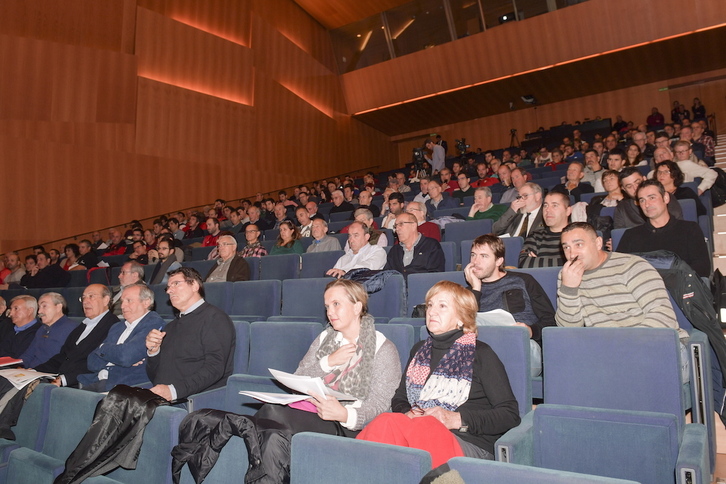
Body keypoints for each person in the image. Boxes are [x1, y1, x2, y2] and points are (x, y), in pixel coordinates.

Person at [244, 279, 401, 483]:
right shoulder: (325, 339)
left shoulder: (383, 348)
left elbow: (381, 404)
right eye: (327, 306)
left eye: (337, 304)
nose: (330, 312)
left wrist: (344, 413)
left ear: (357, 307)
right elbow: (298, 378)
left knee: (270, 418)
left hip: (350, 425)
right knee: (272, 427)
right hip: (315, 412)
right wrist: (328, 362)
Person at [357, 281, 520, 467]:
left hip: (469, 442)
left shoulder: (481, 354)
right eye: (430, 305)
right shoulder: (419, 352)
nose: (432, 312)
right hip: (416, 433)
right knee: (385, 421)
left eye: (442, 306)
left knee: (425, 427)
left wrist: (457, 419)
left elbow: (510, 415)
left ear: (462, 317)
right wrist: (409, 413)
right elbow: (400, 398)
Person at [556, 222, 686, 339]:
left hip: (653, 341)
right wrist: (569, 289)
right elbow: (567, 330)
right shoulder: (567, 276)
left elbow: (663, 316)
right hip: (607, 350)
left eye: (579, 244)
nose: (572, 254)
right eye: (566, 247)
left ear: (598, 243)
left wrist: (625, 343)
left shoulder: (632, 266)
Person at [464, 235, 555, 377]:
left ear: (499, 261)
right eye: (473, 255)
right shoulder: (469, 293)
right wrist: (476, 289)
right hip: (485, 351)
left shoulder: (523, 281)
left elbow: (550, 321)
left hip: (523, 346)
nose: (476, 262)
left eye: (484, 256)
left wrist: (531, 331)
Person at [145, 267, 235, 401]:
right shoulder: (169, 327)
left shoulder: (215, 318)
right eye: (168, 287)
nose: (169, 290)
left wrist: (174, 391)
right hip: (161, 399)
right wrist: (153, 352)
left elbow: (215, 368)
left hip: (193, 400)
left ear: (194, 285)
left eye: (176, 283)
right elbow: (155, 376)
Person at [77, 284, 166, 392]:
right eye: (122, 301)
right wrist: (115, 356)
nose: (123, 306)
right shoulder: (117, 327)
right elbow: (91, 362)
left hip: (125, 386)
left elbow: (126, 356)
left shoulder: (153, 323)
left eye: (129, 301)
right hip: (99, 381)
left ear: (146, 302)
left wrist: (102, 348)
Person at [617, 180, 710, 278]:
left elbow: (702, 268)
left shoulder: (689, 229)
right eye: (642, 200)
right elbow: (620, 270)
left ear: (665, 198)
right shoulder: (631, 235)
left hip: (681, 288)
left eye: (652, 198)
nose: (647, 205)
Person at [38, 284, 119, 387]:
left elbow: (97, 363)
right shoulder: (83, 325)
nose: (85, 301)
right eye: (83, 297)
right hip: (59, 378)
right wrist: (35, 371)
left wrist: (64, 380)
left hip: (81, 385)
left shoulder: (113, 326)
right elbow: (63, 356)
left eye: (91, 296)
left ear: (106, 300)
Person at [19, 292, 79, 369]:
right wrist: (19, 367)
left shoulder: (72, 328)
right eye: (39, 307)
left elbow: (66, 361)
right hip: (30, 373)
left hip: (48, 375)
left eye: (44, 306)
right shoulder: (41, 329)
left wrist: (35, 371)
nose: (39, 311)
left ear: (58, 307)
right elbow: (28, 354)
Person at [519, 191, 571, 268]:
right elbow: (524, 263)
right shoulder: (535, 236)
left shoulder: (578, 234)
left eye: (554, 205)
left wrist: (538, 261)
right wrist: (567, 261)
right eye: (545, 205)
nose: (548, 210)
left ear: (568, 211)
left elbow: (582, 262)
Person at [385, 213, 445, 280]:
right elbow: (386, 275)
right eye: (395, 226)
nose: (397, 229)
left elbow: (435, 275)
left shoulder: (431, 246)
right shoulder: (394, 250)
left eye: (401, 224)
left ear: (413, 225)